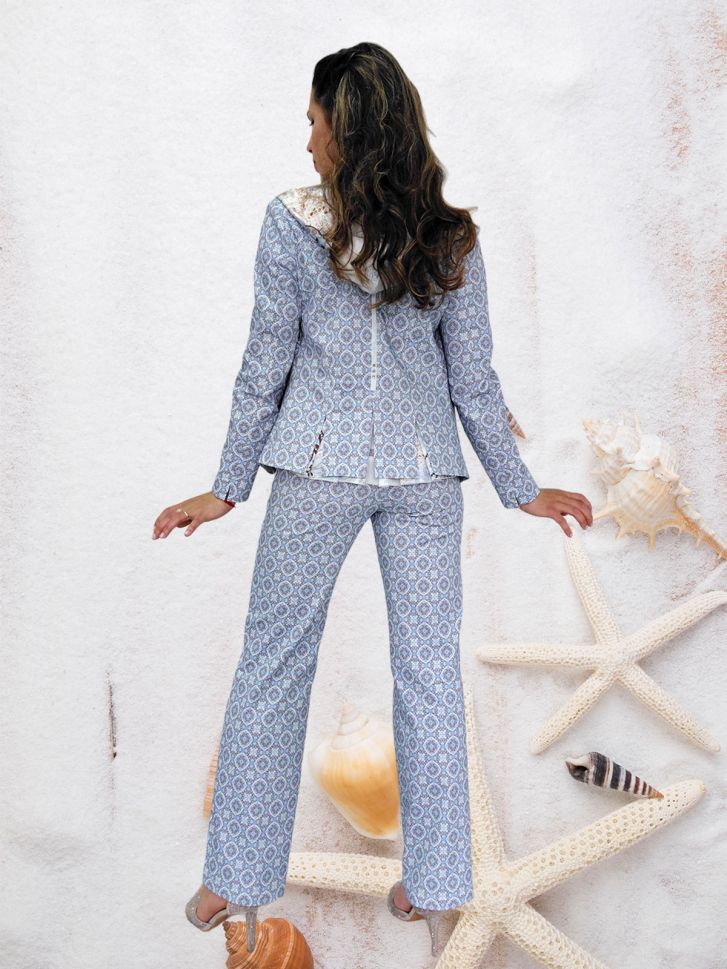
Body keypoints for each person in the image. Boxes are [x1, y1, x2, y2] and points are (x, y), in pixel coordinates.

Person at [153, 42, 593, 956]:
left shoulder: (291, 223)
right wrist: (517, 488)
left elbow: (265, 364)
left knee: (273, 666)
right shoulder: (448, 235)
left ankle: (235, 876)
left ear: (346, 131)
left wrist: (229, 485)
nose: (306, 138)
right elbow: (471, 380)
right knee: (428, 676)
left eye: (314, 121)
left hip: (317, 469)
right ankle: (436, 882)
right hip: (425, 475)